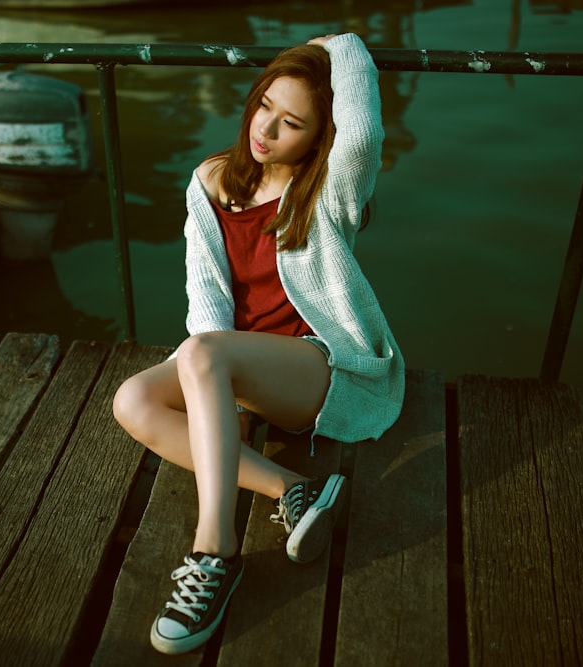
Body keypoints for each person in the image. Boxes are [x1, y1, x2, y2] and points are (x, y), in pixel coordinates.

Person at [112, 32, 404, 656]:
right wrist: (222, 396)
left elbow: (364, 139)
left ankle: (215, 552)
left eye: (292, 123)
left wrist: (343, 45)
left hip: (316, 367)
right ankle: (290, 489)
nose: (266, 130)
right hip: (233, 363)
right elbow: (208, 303)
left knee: (203, 354)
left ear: (317, 137)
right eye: (264, 105)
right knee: (133, 401)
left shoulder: (327, 192)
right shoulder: (209, 182)